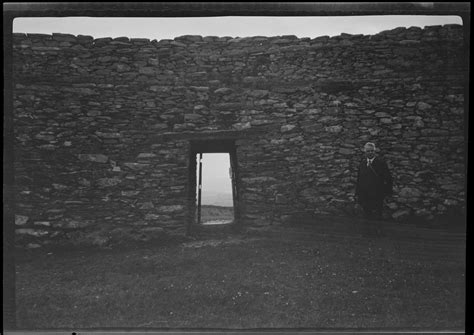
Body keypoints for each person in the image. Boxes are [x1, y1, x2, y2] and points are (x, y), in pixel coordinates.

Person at [355, 142, 393, 220]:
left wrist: (387, 193)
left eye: (372, 151)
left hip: (377, 194)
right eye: (368, 151)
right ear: (365, 152)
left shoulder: (381, 163)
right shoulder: (362, 163)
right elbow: (359, 179)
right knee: (366, 216)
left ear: (374, 151)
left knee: (377, 216)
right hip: (365, 195)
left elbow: (388, 178)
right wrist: (358, 193)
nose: (370, 153)